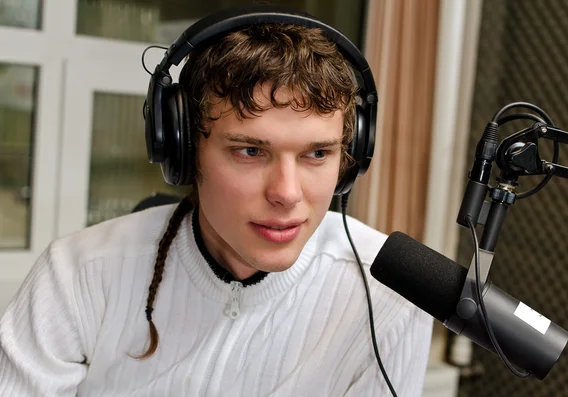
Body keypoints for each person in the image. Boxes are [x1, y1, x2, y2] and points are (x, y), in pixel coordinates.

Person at [0, 6, 432, 397]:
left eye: (317, 154)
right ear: (186, 152)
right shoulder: (78, 275)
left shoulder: (390, 295)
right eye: (250, 151)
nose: (286, 193)